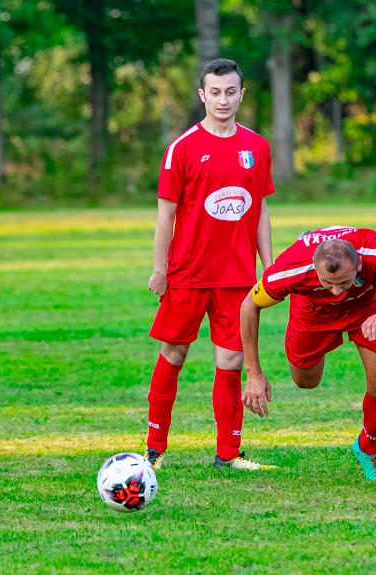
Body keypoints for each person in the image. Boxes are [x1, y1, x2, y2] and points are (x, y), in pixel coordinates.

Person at [145, 58, 275, 471]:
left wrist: (269, 266)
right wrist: (160, 268)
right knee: (174, 353)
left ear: (242, 94)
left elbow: (261, 210)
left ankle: (228, 453)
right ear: (202, 95)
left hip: (237, 276)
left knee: (232, 361)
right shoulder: (182, 148)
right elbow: (165, 214)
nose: (223, 100)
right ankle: (155, 448)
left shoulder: (257, 147)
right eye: (214, 92)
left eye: (230, 91)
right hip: (187, 273)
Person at [240, 227, 376, 480]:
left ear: (359, 264)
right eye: (327, 283)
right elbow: (248, 306)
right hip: (312, 314)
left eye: (344, 282)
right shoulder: (290, 269)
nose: (337, 292)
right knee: (306, 381)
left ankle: (368, 447)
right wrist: (253, 373)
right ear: (315, 269)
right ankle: (319, 340)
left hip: (372, 308)